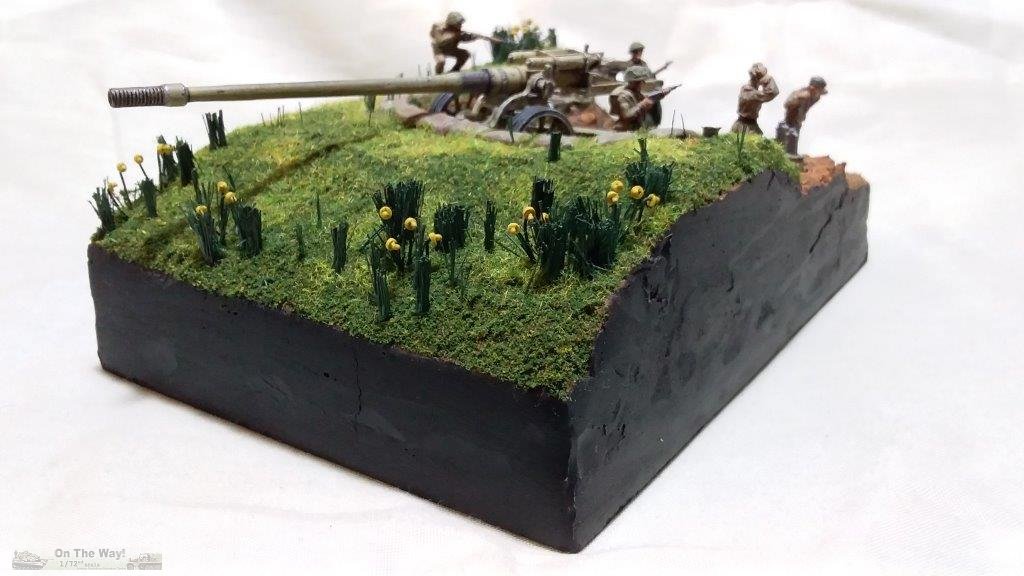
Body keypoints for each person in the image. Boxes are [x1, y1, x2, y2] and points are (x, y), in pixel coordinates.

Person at [430, 12, 497, 74]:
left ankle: (454, 71)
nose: (461, 25)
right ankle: (438, 77)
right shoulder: (438, 26)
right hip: (439, 49)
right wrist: (452, 36)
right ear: (452, 23)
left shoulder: (459, 33)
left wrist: (488, 39)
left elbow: (472, 37)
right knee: (441, 61)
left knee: (465, 54)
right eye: (459, 24)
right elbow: (438, 39)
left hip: (451, 49)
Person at [776, 76, 828, 155]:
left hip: (798, 120)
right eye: (818, 90)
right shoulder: (799, 94)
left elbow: (806, 107)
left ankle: (791, 154)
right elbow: (787, 105)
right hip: (790, 119)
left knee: (794, 136)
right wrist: (798, 99)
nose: (819, 93)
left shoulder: (816, 97)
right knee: (788, 135)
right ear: (812, 88)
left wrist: (800, 117)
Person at [732, 63, 779, 135]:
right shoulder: (748, 91)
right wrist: (768, 80)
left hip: (751, 124)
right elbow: (772, 92)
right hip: (744, 127)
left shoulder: (753, 91)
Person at [610, 66, 657, 131]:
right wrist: (642, 104)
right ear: (633, 82)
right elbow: (626, 116)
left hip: (635, 127)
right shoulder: (623, 95)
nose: (643, 83)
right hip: (625, 129)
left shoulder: (635, 92)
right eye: (640, 81)